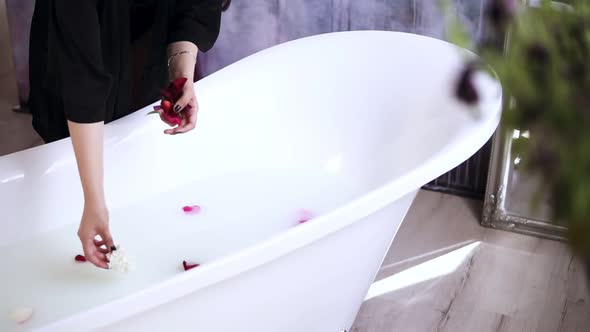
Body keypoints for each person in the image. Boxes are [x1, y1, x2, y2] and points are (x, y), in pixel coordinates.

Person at [28, 0, 231, 269]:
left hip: (144, 37)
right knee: (69, 174)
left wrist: (180, 75)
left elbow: (196, 8)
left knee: (130, 146)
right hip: (73, 53)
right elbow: (81, 76)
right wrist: (93, 200)